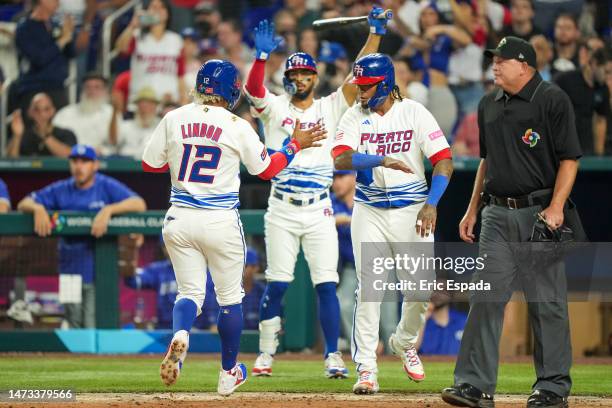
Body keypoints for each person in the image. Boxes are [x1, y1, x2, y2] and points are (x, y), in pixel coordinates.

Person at [141, 59, 326, 395]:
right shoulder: (237, 124)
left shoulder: (173, 117)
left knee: (190, 294)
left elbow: (149, 164)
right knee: (230, 300)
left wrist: (183, 153)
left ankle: (181, 332)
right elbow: (267, 170)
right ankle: (228, 373)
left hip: (179, 216)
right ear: (231, 91)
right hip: (219, 220)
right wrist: (294, 145)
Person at [243, 8, 390, 379]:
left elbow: (359, 76)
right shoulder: (275, 107)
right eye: (294, 73)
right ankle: (265, 352)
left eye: (306, 72)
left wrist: (375, 33)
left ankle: (331, 354)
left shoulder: (330, 106)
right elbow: (254, 90)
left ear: (314, 76)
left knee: (326, 283)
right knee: (277, 284)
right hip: (282, 207)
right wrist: (260, 57)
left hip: (319, 207)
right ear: (288, 78)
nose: (301, 78)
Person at [441, 36, 582, 408]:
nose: (495, 65)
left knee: (546, 303)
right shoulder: (488, 104)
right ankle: (474, 385)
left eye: (502, 60)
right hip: (497, 216)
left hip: (539, 215)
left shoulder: (552, 99)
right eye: (493, 59)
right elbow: (486, 161)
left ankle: (551, 389)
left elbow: (570, 159)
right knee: (485, 298)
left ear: (524, 64)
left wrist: (556, 207)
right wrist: (473, 209)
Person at [333, 53, 453, 394]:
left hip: (412, 209)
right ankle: (367, 369)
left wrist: (432, 203)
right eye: (359, 85)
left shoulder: (414, 112)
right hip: (369, 210)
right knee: (369, 289)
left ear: (385, 84)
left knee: (419, 291)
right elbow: (340, 157)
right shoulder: (355, 115)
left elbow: (444, 161)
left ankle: (403, 342)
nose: (361, 92)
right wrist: (380, 158)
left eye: (367, 86)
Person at [17, 144, 147, 328]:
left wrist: (109, 209)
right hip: (69, 269)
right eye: (75, 161)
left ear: (94, 165)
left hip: (98, 272)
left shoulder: (105, 185)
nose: (79, 166)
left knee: (92, 324)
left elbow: (138, 203)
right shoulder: (62, 188)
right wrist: (37, 208)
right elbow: (24, 203)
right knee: (73, 325)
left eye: (85, 162)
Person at [115, 0, 186, 106]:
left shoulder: (176, 40)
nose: (157, 10)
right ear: (146, 11)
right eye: (153, 7)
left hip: (169, 103)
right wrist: (132, 26)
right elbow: (120, 49)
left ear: (168, 13)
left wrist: (182, 100)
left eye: (161, 7)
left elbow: (180, 75)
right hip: (141, 102)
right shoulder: (136, 36)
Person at [13, 0, 75, 112]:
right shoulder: (24, 28)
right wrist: (62, 40)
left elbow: (71, 54)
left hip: (58, 88)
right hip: (33, 89)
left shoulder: (57, 25)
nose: (58, 2)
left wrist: (69, 34)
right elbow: (39, 58)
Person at [555, 46, 610, 156]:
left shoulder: (603, 89)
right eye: (607, 71)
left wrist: (599, 155)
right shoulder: (564, 80)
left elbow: (600, 121)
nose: (608, 77)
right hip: (561, 148)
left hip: (586, 149)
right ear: (594, 63)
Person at [53, 72, 113, 154]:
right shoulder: (65, 113)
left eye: (97, 87)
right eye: (88, 87)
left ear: (105, 91)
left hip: (101, 159)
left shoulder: (111, 113)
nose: (92, 91)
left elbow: (117, 143)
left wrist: (103, 151)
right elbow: (54, 136)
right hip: (69, 157)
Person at [7, 93, 77, 158]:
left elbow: (71, 157)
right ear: (30, 112)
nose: (41, 114)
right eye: (36, 110)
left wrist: (45, 135)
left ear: (53, 111)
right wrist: (17, 136)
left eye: (46, 109)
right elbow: (10, 164)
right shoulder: (22, 136)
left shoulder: (66, 134)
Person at [110, 86, 160, 159]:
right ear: (137, 106)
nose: (145, 107)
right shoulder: (127, 125)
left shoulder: (162, 125)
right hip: (126, 165)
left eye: (149, 103)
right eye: (142, 103)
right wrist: (115, 110)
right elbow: (114, 141)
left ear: (155, 106)